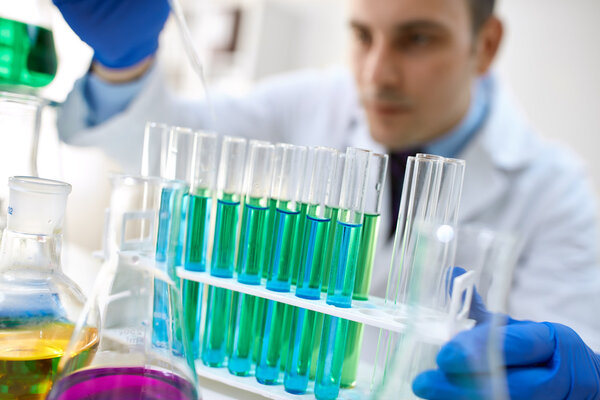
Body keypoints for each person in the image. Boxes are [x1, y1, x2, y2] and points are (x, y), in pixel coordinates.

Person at [53, 0, 600, 351]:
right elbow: (175, 143)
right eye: (362, 35)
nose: (376, 74)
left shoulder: (553, 192)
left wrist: (551, 367)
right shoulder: (311, 100)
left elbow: (567, 348)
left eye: (417, 39)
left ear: (485, 45)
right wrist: (125, 62)